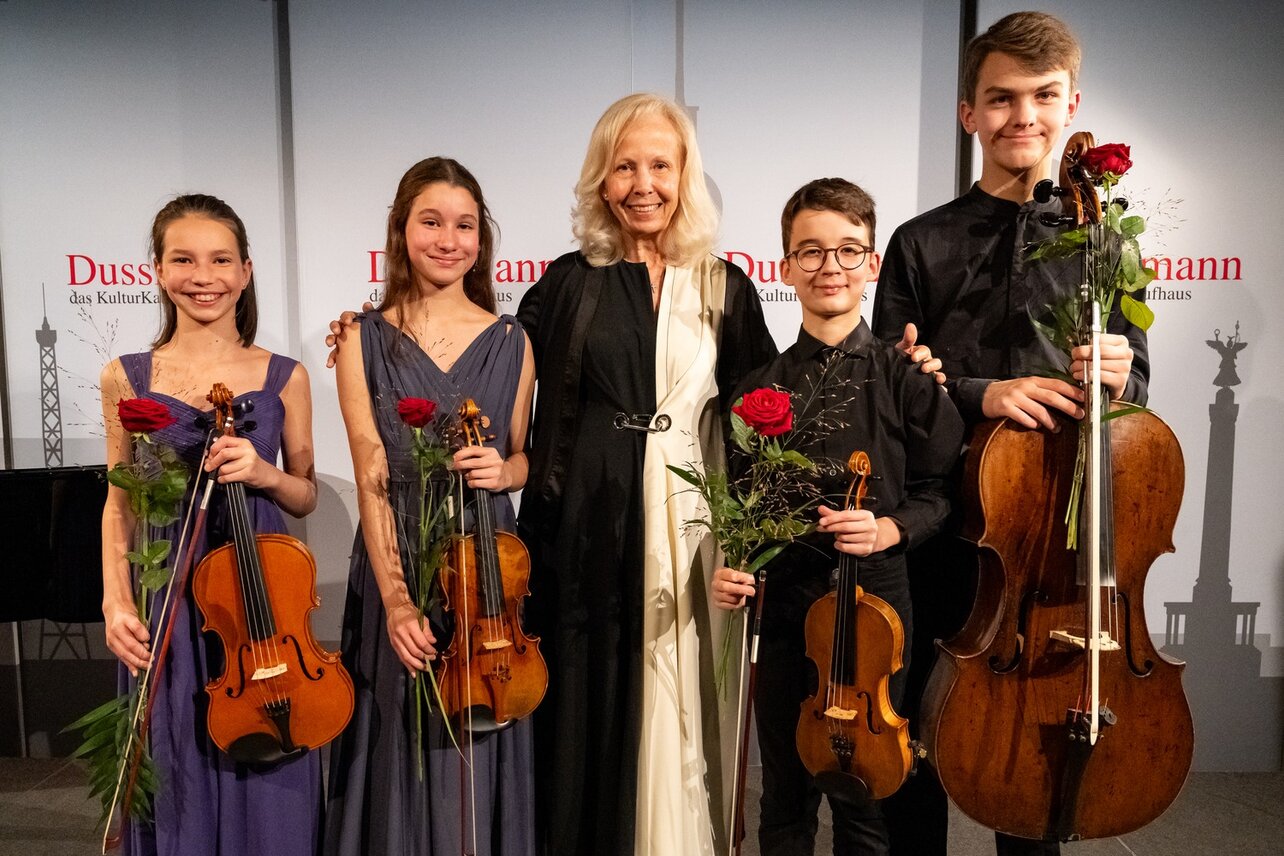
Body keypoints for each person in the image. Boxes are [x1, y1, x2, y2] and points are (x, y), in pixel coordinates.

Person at [871, 11, 1149, 856]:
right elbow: (885, 385)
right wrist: (984, 393)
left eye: (1040, 96)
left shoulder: (1101, 239)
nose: (1021, 115)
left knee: (1029, 736)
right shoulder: (920, 243)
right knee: (913, 727)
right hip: (937, 522)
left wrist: (1119, 376)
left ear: (1071, 105)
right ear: (969, 114)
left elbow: (1139, 388)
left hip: (1045, 539)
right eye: (1000, 99)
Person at [514, 92, 777, 856]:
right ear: (601, 180)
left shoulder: (728, 287)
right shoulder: (568, 282)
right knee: (586, 693)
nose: (643, 184)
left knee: (678, 687)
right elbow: (496, 366)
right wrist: (385, 327)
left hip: (690, 531)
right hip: (584, 524)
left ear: (686, 174)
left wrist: (743, 546)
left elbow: (763, 427)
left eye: (660, 164)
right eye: (624, 166)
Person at [711, 178, 964, 855]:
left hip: (880, 610)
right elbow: (738, 513)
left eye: (850, 251)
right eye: (812, 251)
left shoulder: (909, 377)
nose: (831, 268)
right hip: (788, 608)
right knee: (785, 801)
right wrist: (732, 568)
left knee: (869, 803)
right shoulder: (757, 390)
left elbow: (944, 492)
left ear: (872, 264)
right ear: (786, 266)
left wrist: (889, 528)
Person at [323, 157, 537, 856]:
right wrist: (395, 601)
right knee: (400, 746)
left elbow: (525, 455)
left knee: (479, 733)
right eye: (431, 221)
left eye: (465, 224)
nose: (449, 239)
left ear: (483, 238)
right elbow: (372, 469)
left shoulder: (513, 339)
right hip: (402, 560)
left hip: (486, 568)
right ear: (401, 230)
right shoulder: (362, 336)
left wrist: (505, 470)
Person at [100, 194, 321, 856]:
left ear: (246, 272)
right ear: (159, 271)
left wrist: (263, 473)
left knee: (267, 764)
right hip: (165, 591)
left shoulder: (284, 376)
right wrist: (114, 598)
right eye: (184, 260)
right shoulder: (125, 377)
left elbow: (305, 494)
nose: (205, 276)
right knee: (176, 774)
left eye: (221, 260)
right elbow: (120, 501)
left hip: (258, 605)